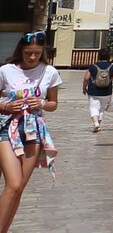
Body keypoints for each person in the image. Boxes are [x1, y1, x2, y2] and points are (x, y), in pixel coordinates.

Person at [0, 31, 60, 233]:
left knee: (18, 190)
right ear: (21, 51)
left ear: (43, 52)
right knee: (13, 184)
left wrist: (42, 102)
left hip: (33, 130)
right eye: (28, 53)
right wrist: (6, 107)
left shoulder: (49, 72)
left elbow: (53, 104)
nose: (32, 57)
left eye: (36, 53)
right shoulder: (6, 70)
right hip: (7, 127)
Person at [82, 48, 113, 132]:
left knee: (93, 107)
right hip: (107, 91)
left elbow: (86, 78)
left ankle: (96, 123)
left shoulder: (93, 66)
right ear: (108, 57)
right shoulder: (112, 66)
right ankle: (98, 125)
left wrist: (84, 88)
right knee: (102, 108)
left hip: (93, 91)